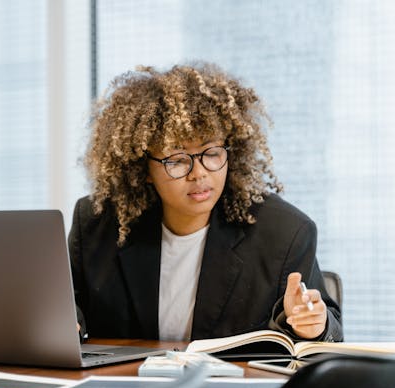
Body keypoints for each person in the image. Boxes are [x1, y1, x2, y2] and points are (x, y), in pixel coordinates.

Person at [68, 62, 343, 343]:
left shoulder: (284, 233)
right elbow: (65, 306)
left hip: (233, 385)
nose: (199, 173)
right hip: (123, 385)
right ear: (143, 169)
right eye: (176, 160)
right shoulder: (97, 223)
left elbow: (328, 326)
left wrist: (314, 325)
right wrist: (68, 321)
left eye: (211, 153)